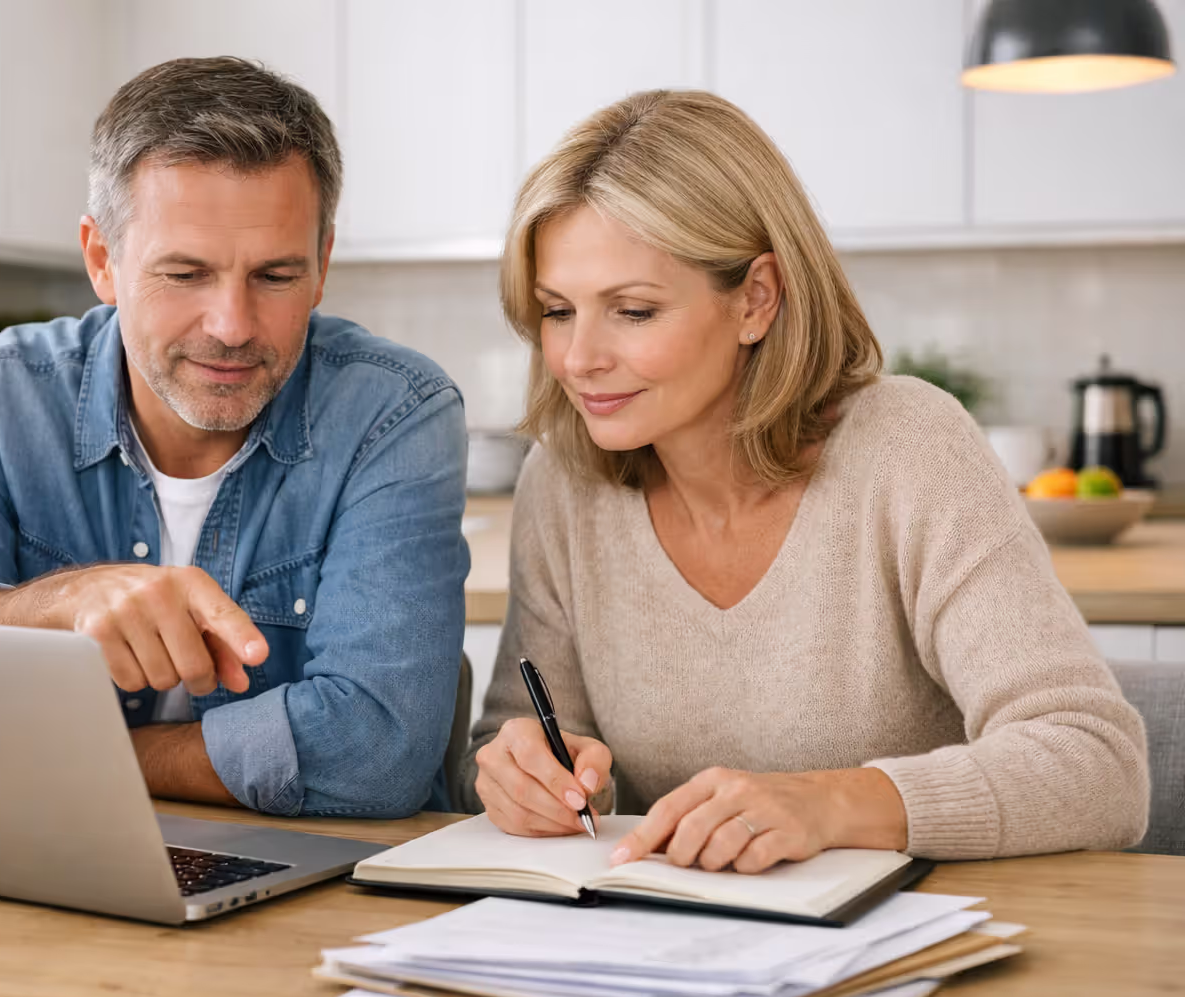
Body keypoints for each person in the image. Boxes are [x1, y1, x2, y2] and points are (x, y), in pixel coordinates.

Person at [463, 90, 1148, 871]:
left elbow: (1099, 764)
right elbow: (523, 742)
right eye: (558, 311)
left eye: (634, 311)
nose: (579, 358)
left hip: (916, 947)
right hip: (666, 953)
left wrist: (832, 804)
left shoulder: (909, 449)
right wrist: (527, 779)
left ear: (756, 299)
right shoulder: (564, 484)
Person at [0, 57, 469, 818]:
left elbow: (377, 753)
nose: (232, 326)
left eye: (275, 277)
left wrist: (83, 758)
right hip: (28, 859)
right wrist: (63, 602)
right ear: (101, 260)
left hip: (321, 885)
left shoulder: (393, 412)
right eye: (185, 274)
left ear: (322, 266)